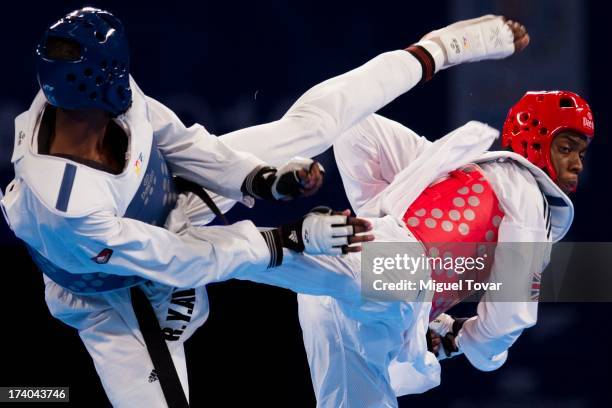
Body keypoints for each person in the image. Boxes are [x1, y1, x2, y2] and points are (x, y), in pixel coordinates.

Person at [0, 7, 527, 407]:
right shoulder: (67, 205)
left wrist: (258, 178)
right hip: (120, 290)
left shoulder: (91, 88)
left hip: (170, 199)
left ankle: (439, 49)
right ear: (93, 87)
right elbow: (178, 258)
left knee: (309, 128)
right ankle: (28, 394)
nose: (127, 86)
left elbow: (179, 143)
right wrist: (283, 239)